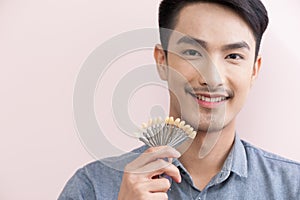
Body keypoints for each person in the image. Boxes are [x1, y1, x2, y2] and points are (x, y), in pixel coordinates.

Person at [59, 0, 300, 199]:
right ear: (161, 61)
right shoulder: (90, 188)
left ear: (254, 71)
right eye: (193, 52)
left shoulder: (292, 188)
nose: (212, 78)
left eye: (233, 56)